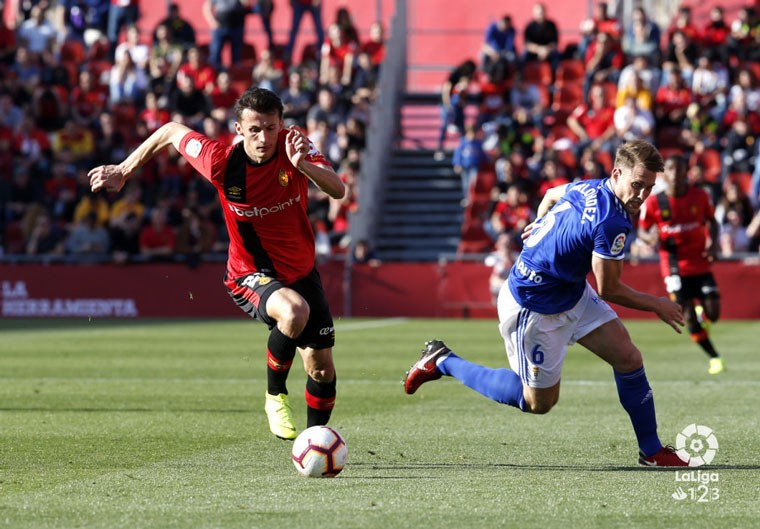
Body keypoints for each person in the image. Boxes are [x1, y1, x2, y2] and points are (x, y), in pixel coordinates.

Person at [404, 139, 691, 467]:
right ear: (617, 174)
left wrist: (540, 221)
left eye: (649, 188)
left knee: (628, 357)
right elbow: (609, 288)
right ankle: (444, 361)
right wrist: (658, 304)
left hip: (569, 292)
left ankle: (651, 451)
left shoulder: (589, 187)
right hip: (533, 307)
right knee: (538, 402)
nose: (641, 196)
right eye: (637, 185)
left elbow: (552, 194)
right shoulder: (613, 221)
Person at [88, 87, 346, 440]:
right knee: (293, 312)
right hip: (250, 273)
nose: (264, 137)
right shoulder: (220, 160)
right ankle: (275, 395)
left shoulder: (295, 146)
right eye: (254, 129)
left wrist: (303, 165)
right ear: (239, 129)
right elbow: (170, 131)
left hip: (301, 271)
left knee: (321, 370)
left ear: (281, 124)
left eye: (271, 127)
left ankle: (315, 441)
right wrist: (124, 169)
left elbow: (337, 190)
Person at [637, 155, 724, 375]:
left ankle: (703, 314)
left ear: (687, 172)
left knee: (713, 314)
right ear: (664, 174)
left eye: (679, 169)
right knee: (687, 317)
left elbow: (712, 221)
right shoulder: (655, 202)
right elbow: (641, 230)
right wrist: (649, 239)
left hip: (700, 263)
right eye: (671, 170)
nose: (675, 174)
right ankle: (714, 357)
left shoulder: (699, 196)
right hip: (673, 267)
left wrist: (713, 244)